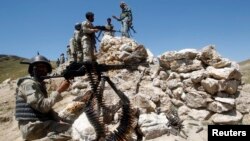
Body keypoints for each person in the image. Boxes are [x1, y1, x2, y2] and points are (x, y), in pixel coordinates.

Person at [15, 54, 72, 140]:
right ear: (32, 69)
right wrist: (59, 90)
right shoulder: (28, 84)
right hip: (33, 127)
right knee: (73, 131)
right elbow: (43, 107)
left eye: (45, 67)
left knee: (72, 123)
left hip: (40, 123)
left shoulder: (38, 84)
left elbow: (47, 110)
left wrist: (58, 119)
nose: (43, 70)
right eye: (40, 67)